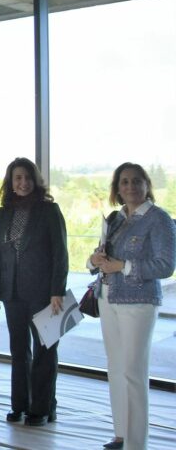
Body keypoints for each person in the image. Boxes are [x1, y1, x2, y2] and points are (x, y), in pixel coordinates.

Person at [89, 163, 174, 450]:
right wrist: (96, 260)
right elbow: (104, 257)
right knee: (115, 369)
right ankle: (121, 435)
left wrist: (123, 266)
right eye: (124, 182)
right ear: (117, 189)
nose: (130, 186)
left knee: (134, 373)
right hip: (108, 299)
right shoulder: (115, 219)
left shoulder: (159, 219)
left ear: (147, 184)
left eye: (136, 181)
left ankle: (136, 444)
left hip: (139, 303)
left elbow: (165, 266)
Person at [0, 158, 68, 427]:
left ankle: (42, 408)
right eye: (17, 178)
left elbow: (60, 254)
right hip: (12, 294)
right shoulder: (2, 213)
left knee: (45, 350)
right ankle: (19, 405)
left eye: (27, 178)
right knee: (19, 351)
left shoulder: (49, 210)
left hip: (45, 294)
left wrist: (57, 290)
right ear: (10, 182)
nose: (22, 183)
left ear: (35, 181)